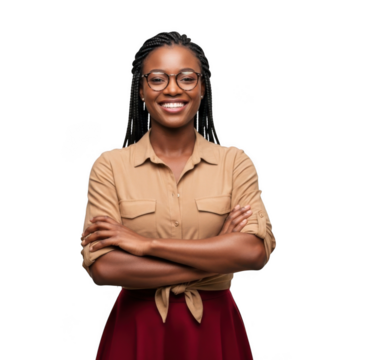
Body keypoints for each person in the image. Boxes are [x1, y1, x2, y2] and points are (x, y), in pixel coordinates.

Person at [79, 31, 277, 360]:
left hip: (215, 325)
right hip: (137, 326)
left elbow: (254, 252)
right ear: (141, 90)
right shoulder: (110, 165)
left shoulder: (234, 162)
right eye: (157, 79)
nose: (172, 89)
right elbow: (104, 267)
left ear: (202, 87)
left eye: (186, 78)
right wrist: (217, 257)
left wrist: (146, 245)